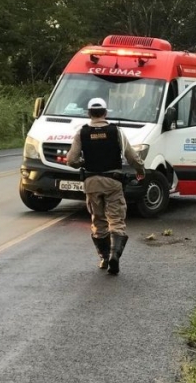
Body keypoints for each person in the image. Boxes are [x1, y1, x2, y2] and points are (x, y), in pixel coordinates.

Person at [67, 98, 146, 275]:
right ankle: (114, 255)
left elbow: (71, 160)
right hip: (113, 181)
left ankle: (103, 258)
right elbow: (131, 156)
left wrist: (83, 162)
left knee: (98, 220)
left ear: (89, 113)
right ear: (105, 113)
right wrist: (141, 169)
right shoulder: (115, 131)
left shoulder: (82, 133)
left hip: (91, 182)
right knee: (116, 220)